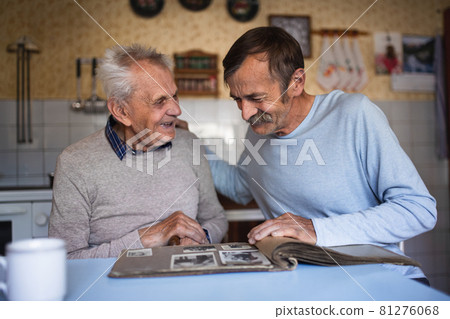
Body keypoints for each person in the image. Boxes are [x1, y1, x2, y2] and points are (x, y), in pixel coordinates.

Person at [209, 27, 436, 281]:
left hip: (383, 278)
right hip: (310, 281)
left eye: (256, 98)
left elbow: (418, 210)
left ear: (297, 82)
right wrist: (187, 143)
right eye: (237, 100)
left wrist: (316, 229)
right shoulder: (258, 130)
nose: (245, 113)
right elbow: (240, 186)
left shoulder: (353, 114)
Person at [49, 44, 227, 259]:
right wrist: (145, 239)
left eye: (174, 96)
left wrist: (201, 236)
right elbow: (66, 259)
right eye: (159, 101)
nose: (176, 110)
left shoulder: (189, 144)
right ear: (121, 111)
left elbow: (216, 217)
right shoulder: (75, 163)